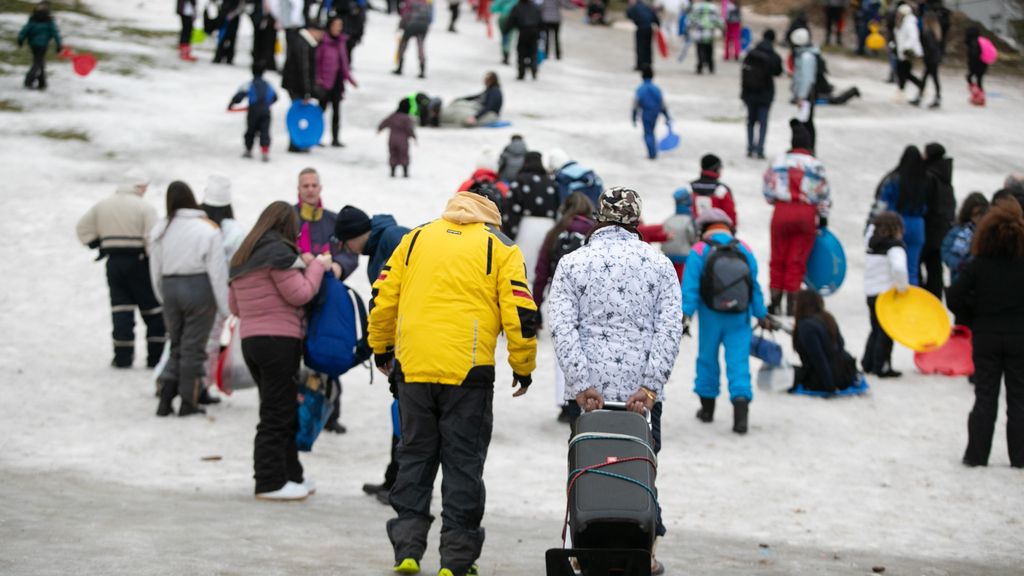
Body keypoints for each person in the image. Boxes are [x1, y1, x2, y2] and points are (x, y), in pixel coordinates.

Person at [367, 189, 538, 576]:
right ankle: (456, 561)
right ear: (491, 215)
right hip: (469, 371)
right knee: (463, 464)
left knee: (414, 456)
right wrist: (522, 365)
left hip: (413, 367)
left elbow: (383, 297)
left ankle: (407, 552)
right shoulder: (501, 246)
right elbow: (521, 311)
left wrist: (382, 348)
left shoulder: (415, 239)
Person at [548, 187, 682, 574]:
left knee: (587, 468)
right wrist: (651, 386)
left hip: (591, 394)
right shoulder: (658, 266)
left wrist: (579, 382)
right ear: (636, 221)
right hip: (640, 395)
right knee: (643, 464)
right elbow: (669, 329)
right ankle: (646, 551)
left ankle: (585, 548)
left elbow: (563, 327)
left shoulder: (574, 263)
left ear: (599, 218)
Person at [229, 201, 330, 500]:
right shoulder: (278, 253)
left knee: (280, 407)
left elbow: (234, 306)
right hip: (279, 341)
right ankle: (270, 481)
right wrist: (316, 267)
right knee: (277, 412)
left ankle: (291, 475)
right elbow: (300, 294)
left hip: (252, 342)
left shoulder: (242, 256)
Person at [332, 210, 412, 504]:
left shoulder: (394, 237)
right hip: (400, 344)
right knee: (400, 414)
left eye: (344, 243)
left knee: (407, 416)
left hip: (413, 343)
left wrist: (378, 348)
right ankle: (393, 481)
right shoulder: (380, 245)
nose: (346, 250)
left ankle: (402, 486)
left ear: (353, 236)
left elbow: (396, 298)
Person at [947, 199, 1024, 469]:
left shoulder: (978, 265)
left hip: (986, 337)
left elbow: (954, 296)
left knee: (985, 396)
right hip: (1019, 338)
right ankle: (1020, 456)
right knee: (1019, 398)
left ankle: (977, 455)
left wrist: (972, 316)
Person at [682, 208, 768, 434]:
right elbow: (754, 286)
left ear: (703, 228)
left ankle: (707, 410)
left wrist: (685, 315)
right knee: (738, 363)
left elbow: (690, 288)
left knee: (707, 359)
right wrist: (761, 313)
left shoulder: (699, 250)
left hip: (711, 316)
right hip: (740, 316)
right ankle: (741, 417)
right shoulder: (744, 249)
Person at [149, 182, 230, 417]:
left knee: (176, 343)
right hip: (199, 289)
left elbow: (155, 268)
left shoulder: (161, 228)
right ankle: (188, 401)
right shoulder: (207, 228)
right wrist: (225, 307)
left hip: (170, 287)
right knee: (193, 347)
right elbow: (217, 271)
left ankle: (165, 397)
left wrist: (162, 296)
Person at [76, 172, 165, 369]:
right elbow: (153, 240)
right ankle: (155, 357)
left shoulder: (103, 205)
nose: (145, 191)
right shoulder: (145, 207)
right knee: (152, 310)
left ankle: (122, 357)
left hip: (114, 263)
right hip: (139, 263)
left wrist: (97, 243)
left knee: (121, 309)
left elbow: (82, 228)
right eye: (144, 187)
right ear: (137, 187)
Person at [763, 121, 830, 316]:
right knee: (796, 260)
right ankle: (793, 306)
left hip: (782, 212)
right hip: (806, 214)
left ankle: (775, 303)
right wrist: (823, 217)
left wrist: (775, 201)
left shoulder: (778, 161)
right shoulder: (817, 166)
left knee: (777, 258)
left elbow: (767, 189)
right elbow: (824, 194)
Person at [862, 211, 909, 378]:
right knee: (887, 332)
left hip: (871, 293)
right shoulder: (895, 248)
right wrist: (903, 287)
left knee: (875, 329)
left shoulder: (872, 246)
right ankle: (881, 365)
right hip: (887, 295)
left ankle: (867, 363)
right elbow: (899, 269)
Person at [877, 146, 928, 285]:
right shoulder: (924, 180)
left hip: (896, 225)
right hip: (918, 225)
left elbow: (882, 203)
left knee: (893, 267)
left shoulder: (894, 179)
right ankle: (910, 302)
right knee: (912, 270)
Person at [790, 289, 858, 393]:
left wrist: (830, 386)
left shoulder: (805, 326)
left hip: (829, 377)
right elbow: (841, 345)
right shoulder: (828, 317)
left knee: (785, 372)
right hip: (846, 373)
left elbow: (818, 358)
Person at [503, 151, 559, 276]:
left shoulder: (519, 181)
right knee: (542, 264)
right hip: (548, 226)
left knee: (524, 266)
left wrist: (509, 232)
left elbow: (511, 208)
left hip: (525, 227)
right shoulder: (551, 182)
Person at [740, 29, 783, 159]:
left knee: (751, 121)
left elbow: (744, 73)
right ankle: (760, 149)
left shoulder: (751, 53)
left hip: (750, 92)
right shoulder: (774, 56)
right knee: (763, 123)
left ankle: (749, 147)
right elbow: (778, 72)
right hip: (766, 93)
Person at [919, 142, 955, 298]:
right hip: (942, 231)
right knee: (935, 269)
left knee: (915, 266)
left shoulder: (929, 176)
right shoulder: (945, 177)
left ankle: (921, 298)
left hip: (928, 230)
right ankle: (935, 301)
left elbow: (924, 204)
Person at [317, 16, 358, 148]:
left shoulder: (341, 42)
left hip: (337, 82)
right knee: (320, 111)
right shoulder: (323, 42)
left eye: (340, 25)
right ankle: (316, 136)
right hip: (325, 82)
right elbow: (317, 62)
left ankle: (335, 138)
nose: (337, 28)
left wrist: (350, 79)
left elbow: (344, 63)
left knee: (336, 112)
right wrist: (318, 79)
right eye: (335, 25)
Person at [282, 24, 323, 152]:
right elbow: (304, 69)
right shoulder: (304, 44)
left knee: (298, 113)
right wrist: (307, 92)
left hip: (293, 84)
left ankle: (297, 142)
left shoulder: (300, 40)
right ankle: (297, 143)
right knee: (298, 114)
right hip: (297, 86)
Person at [228, 60, 279, 162]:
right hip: (266, 110)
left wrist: (231, 104)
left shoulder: (249, 84)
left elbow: (239, 96)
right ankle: (265, 151)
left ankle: (248, 149)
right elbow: (275, 97)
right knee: (265, 131)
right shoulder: (268, 84)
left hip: (253, 110)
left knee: (251, 130)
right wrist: (267, 104)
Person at [941, 192, 988, 284]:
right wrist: (959, 264)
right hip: (959, 278)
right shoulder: (956, 232)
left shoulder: (988, 233)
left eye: (981, 215)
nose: (978, 219)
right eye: (975, 215)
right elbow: (945, 251)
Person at [17, 2, 62, 90]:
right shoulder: (49, 21)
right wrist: (59, 45)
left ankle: (42, 83)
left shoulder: (33, 19)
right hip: (43, 45)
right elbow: (55, 33)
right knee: (38, 63)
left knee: (40, 62)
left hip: (33, 45)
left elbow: (25, 30)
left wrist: (20, 40)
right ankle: (29, 81)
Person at [685, 154, 738, 226]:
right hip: (716, 229)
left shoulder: (689, 187)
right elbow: (730, 214)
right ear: (715, 168)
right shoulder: (722, 190)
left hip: (692, 229)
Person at [632, 67, 672, 160]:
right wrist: (666, 115)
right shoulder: (656, 89)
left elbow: (635, 104)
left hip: (646, 112)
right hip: (655, 112)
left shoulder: (640, 89)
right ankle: (653, 151)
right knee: (652, 131)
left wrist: (634, 116)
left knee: (648, 133)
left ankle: (652, 153)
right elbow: (662, 103)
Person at [789, 27, 818, 153]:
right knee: (806, 122)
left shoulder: (806, 57)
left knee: (806, 123)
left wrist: (801, 96)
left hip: (806, 96)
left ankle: (808, 148)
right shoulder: (804, 55)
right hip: (805, 95)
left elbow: (806, 78)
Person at [661, 188, 698, 282]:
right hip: (685, 259)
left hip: (667, 258)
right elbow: (694, 239)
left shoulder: (668, 220)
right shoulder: (691, 220)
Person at [378, 99, 418, 178]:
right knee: (404, 155)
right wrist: (413, 136)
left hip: (392, 139)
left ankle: (393, 171)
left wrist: (379, 128)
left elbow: (385, 122)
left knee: (393, 154)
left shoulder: (393, 116)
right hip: (403, 141)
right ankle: (405, 172)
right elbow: (409, 129)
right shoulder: (406, 118)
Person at [912, 9, 944, 108]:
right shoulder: (936, 32)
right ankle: (934, 97)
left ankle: (921, 97)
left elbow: (930, 47)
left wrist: (925, 56)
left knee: (928, 78)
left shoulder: (928, 32)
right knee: (932, 78)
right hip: (934, 58)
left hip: (930, 59)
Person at [505, 0, 542, 81]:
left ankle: (522, 73)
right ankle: (533, 70)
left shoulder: (518, 6)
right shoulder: (535, 6)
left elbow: (512, 18)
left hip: (524, 31)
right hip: (534, 31)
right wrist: (540, 31)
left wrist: (507, 30)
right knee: (533, 52)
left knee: (521, 53)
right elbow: (540, 19)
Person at [393, 0, 432, 78]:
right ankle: (422, 70)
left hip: (411, 25)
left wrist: (400, 26)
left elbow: (405, 15)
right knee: (420, 47)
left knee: (403, 45)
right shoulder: (425, 3)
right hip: (423, 26)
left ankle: (400, 68)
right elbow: (430, 17)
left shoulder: (408, 2)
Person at [894, 4, 923, 95]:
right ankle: (903, 90)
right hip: (902, 52)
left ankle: (920, 86)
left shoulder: (909, 23)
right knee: (902, 72)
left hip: (908, 52)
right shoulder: (902, 22)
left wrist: (906, 48)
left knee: (904, 73)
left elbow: (913, 37)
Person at [688, 0, 722, 74]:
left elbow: (691, 19)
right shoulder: (714, 8)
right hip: (710, 32)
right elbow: (718, 20)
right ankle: (711, 67)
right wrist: (722, 28)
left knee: (700, 49)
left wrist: (688, 28)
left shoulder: (696, 7)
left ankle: (700, 66)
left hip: (699, 32)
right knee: (709, 50)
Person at [626, 0, 660, 72]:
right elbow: (654, 16)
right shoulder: (646, 6)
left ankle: (640, 65)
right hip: (649, 29)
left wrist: (629, 7)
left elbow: (628, 15)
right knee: (648, 47)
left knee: (640, 47)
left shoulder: (634, 7)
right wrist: (658, 24)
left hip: (641, 28)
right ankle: (648, 64)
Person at [213, 0, 245, 64]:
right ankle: (218, 57)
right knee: (221, 38)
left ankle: (229, 58)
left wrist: (233, 14)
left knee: (232, 39)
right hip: (223, 16)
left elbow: (241, 6)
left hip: (234, 19)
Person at [965, 27, 987, 94]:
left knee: (969, 77)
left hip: (976, 64)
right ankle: (979, 94)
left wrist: (972, 63)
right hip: (983, 63)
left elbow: (975, 54)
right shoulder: (980, 40)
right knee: (979, 80)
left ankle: (977, 94)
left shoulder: (974, 42)